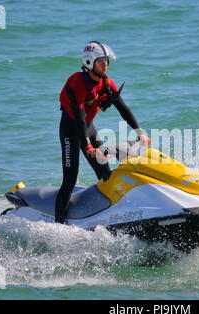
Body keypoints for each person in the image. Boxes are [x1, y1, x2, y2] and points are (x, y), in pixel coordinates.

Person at [55, 41, 151, 224]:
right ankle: (58, 225)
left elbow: (123, 108)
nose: (105, 64)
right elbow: (78, 117)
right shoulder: (78, 84)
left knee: (105, 174)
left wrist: (140, 132)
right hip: (71, 129)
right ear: (90, 62)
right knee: (69, 180)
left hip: (88, 128)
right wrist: (88, 146)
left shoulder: (106, 83)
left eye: (107, 61)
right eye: (101, 61)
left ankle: (111, 217)